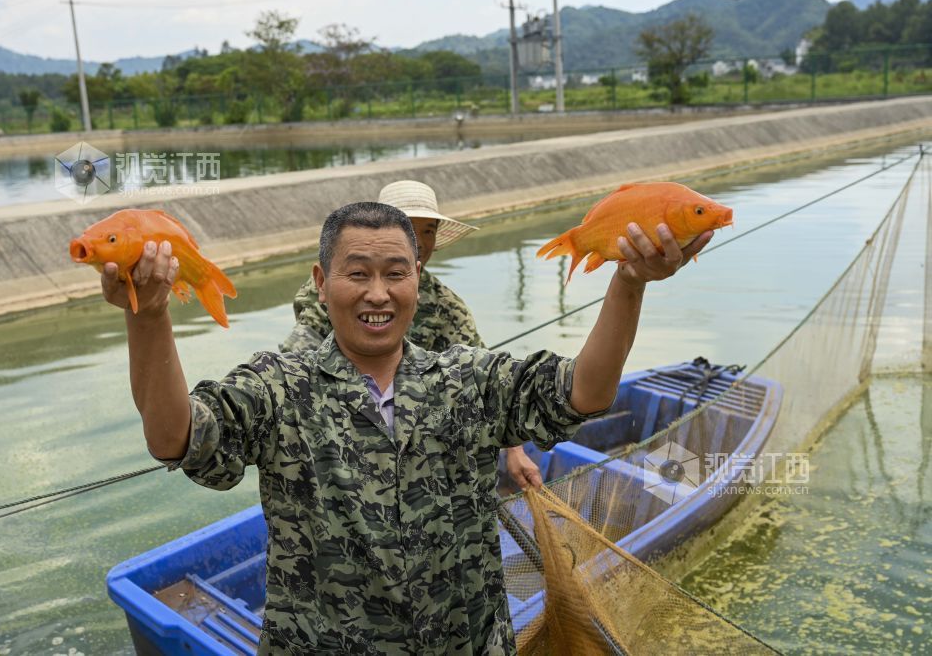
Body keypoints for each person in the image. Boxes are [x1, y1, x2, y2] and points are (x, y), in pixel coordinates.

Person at [101, 202, 711, 654]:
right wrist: (147, 315)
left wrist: (628, 284)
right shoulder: (277, 385)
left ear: (420, 281)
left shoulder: (469, 380)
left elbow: (584, 391)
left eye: (396, 272)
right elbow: (177, 437)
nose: (378, 293)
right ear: (320, 284)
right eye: (356, 273)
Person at [280, 180, 543, 490]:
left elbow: (487, 381)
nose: (420, 241)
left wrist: (514, 450)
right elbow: (299, 350)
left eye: (428, 230)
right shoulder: (334, 288)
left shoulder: (447, 307)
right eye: (409, 228)